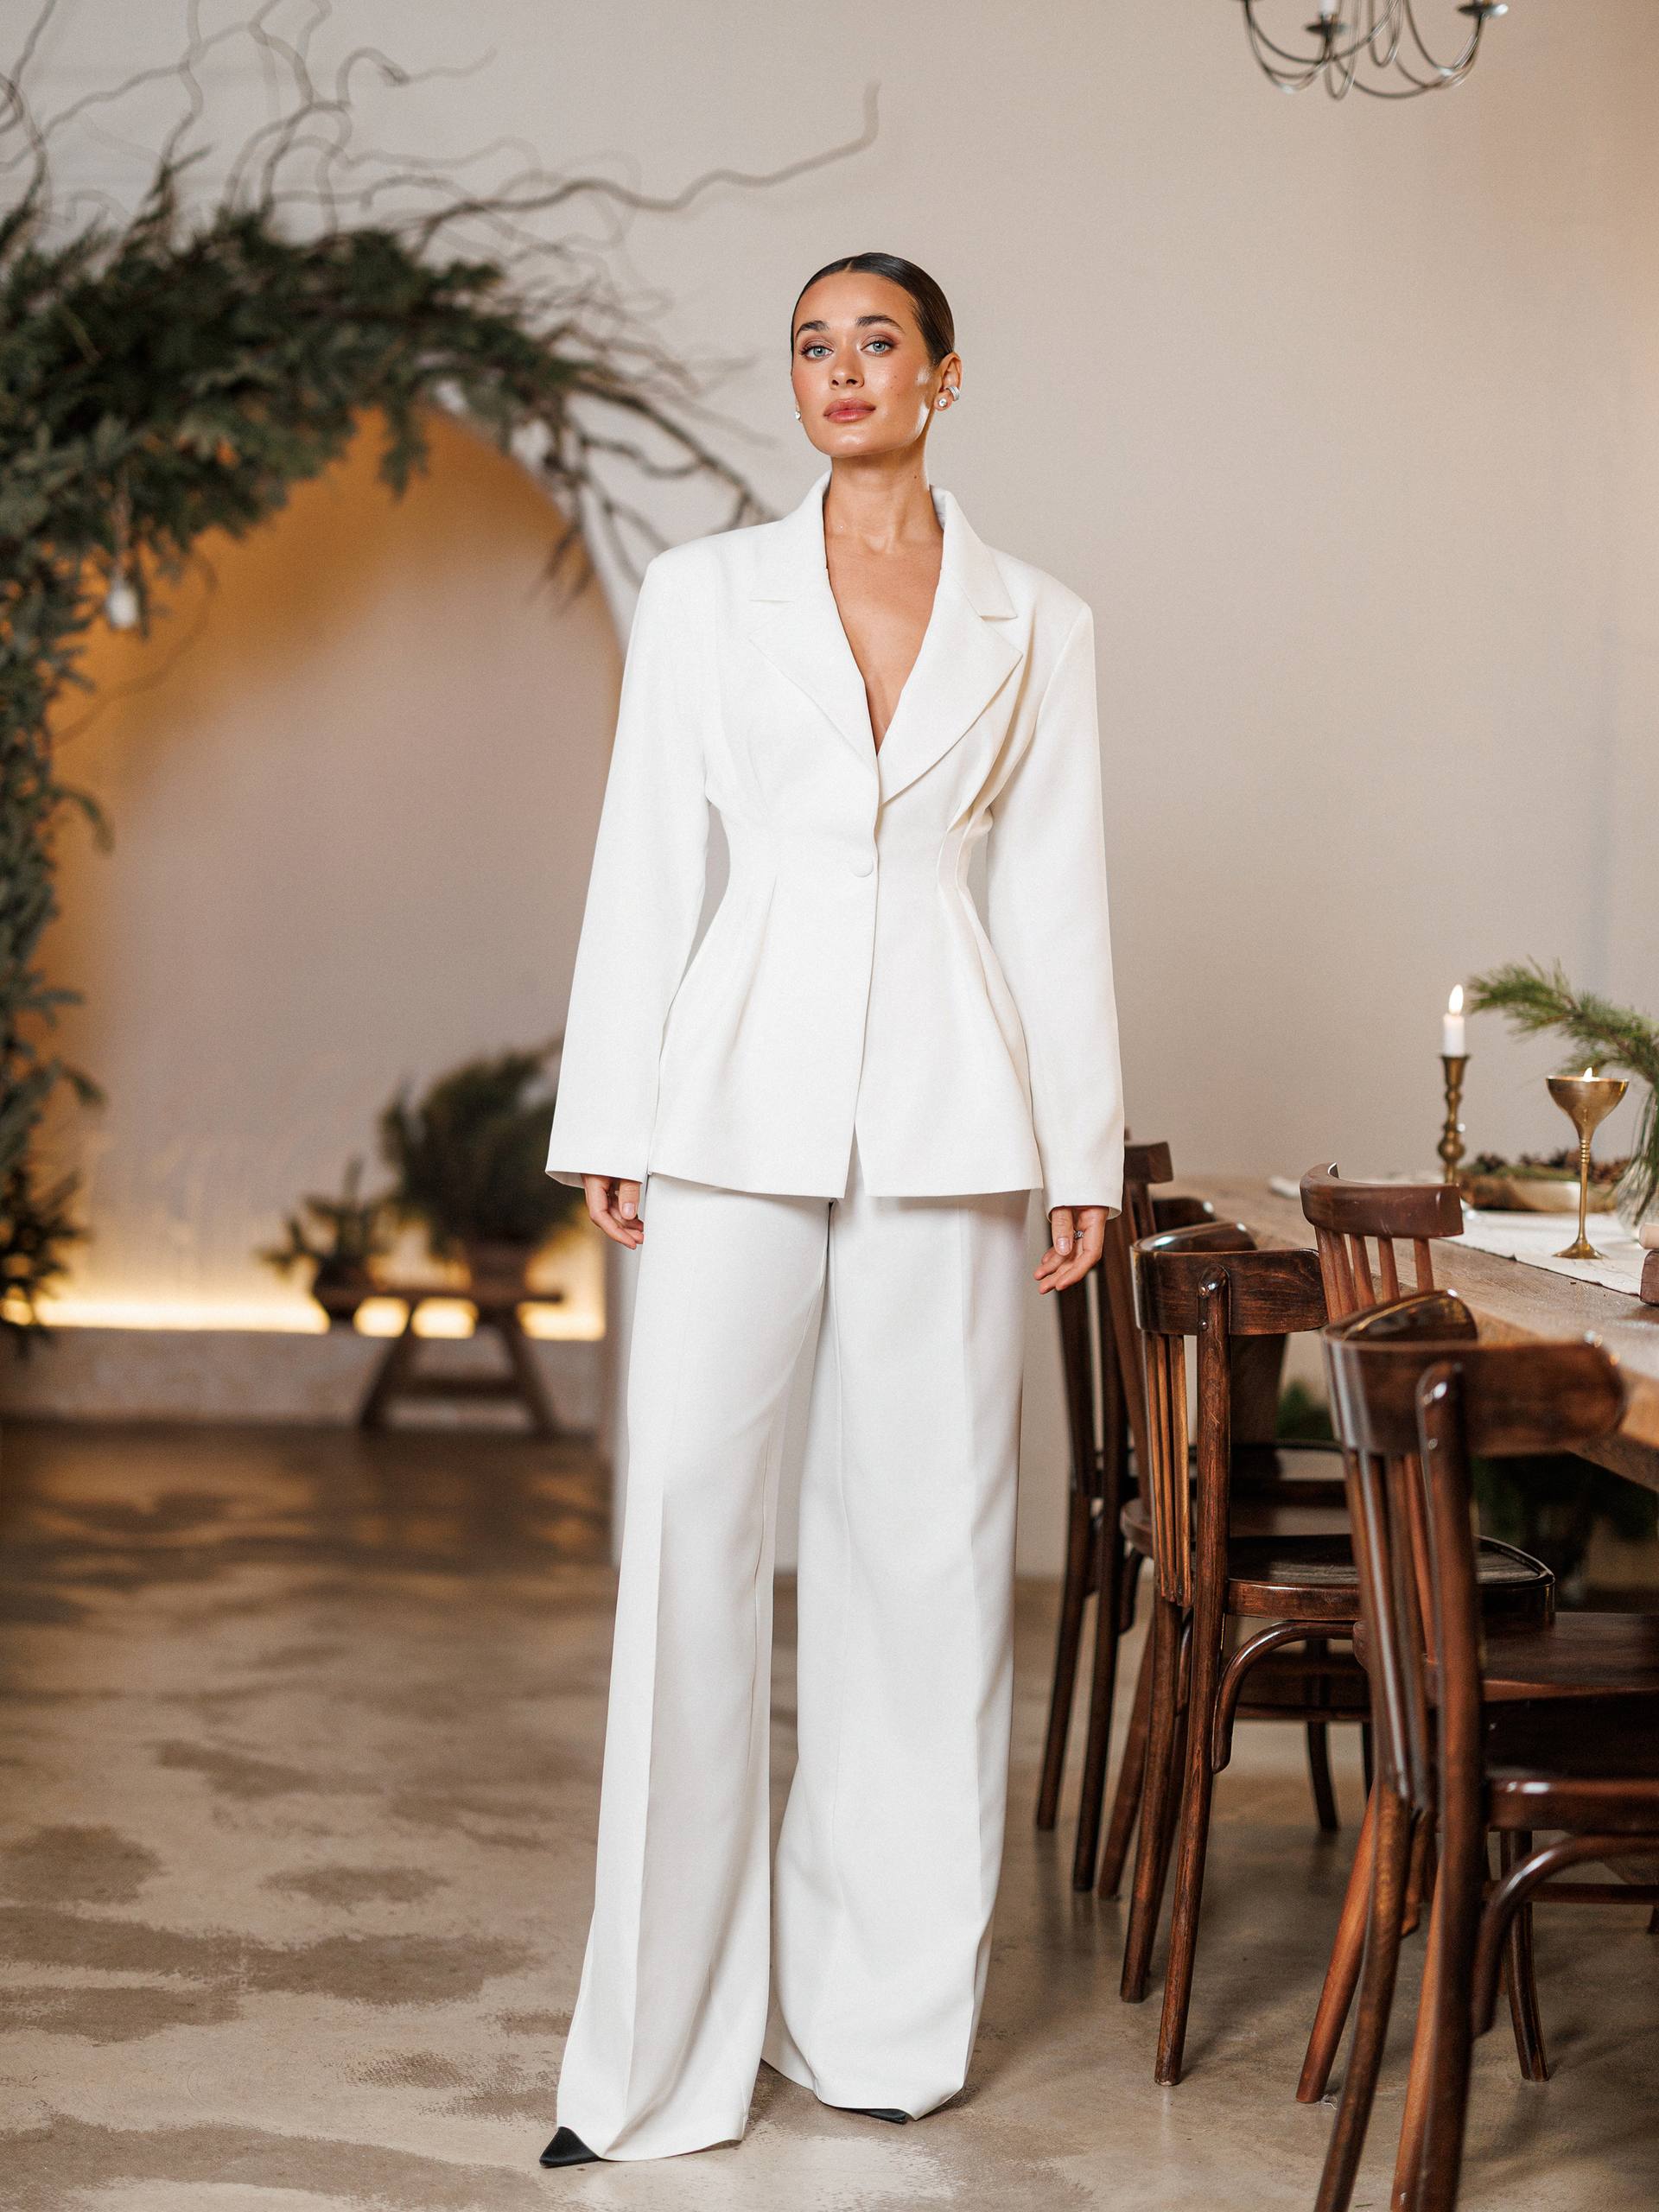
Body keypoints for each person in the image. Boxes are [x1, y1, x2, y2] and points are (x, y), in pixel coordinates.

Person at [537, 251, 1125, 2167]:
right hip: (728, 1111)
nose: (841, 369)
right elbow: (647, 853)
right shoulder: (706, 593)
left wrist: (1082, 1154)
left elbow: (1052, 888)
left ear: (947, 372)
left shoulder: (1042, 617)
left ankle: (881, 2024)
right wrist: (613, 1103)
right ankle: (655, 2059)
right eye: (811, 343)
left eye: (877, 342)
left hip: (958, 1126)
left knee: (928, 1567)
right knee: (688, 1546)